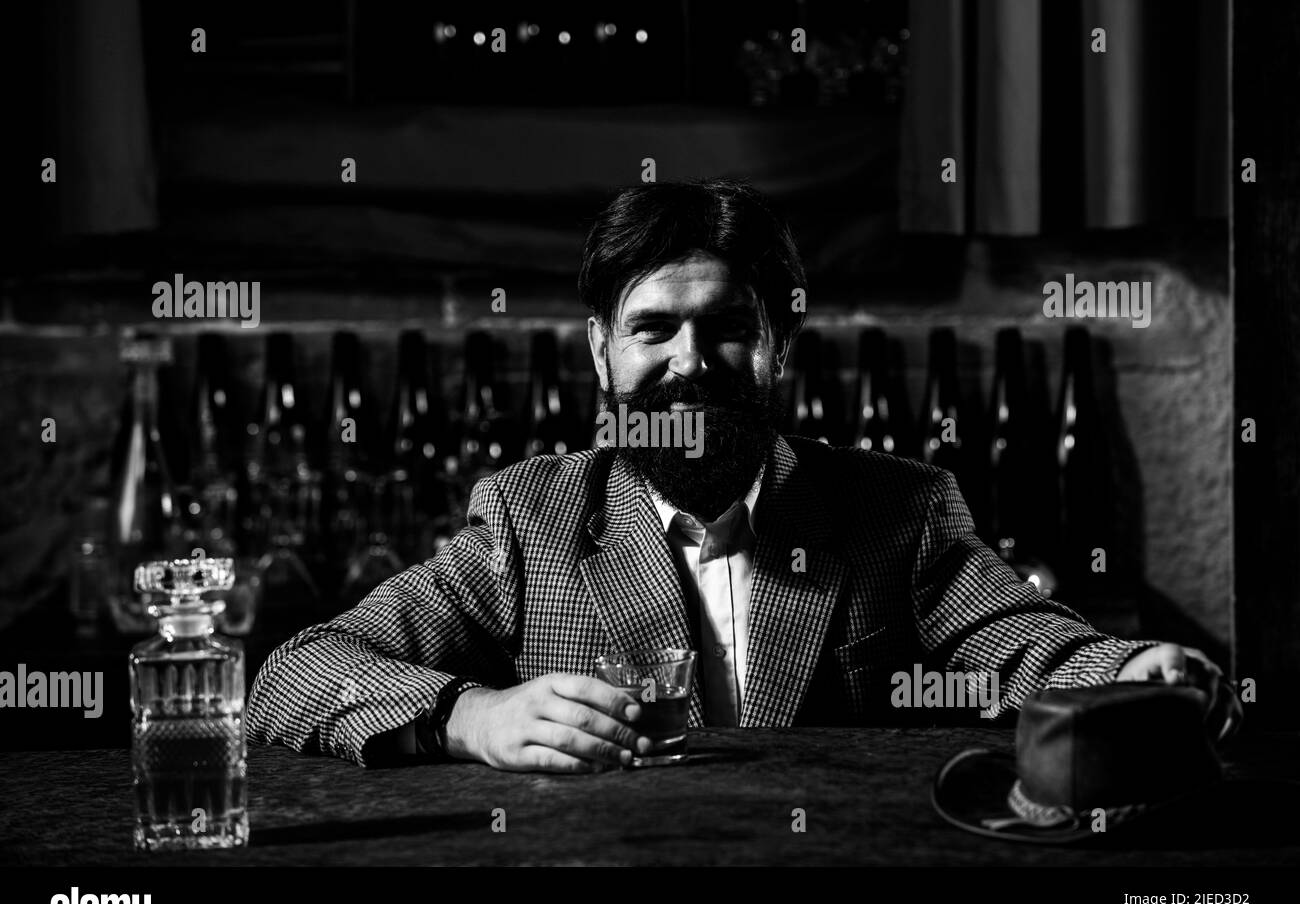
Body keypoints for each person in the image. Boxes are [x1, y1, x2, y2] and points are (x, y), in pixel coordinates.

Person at [246, 178, 1240, 773]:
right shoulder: (524, 521)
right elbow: (292, 677)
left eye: (726, 329)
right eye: (653, 330)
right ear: (601, 356)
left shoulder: (897, 508)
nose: (688, 362)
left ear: (778, 350)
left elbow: (1015, 641)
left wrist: (1124, 670)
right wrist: (472, 716)